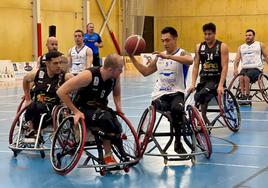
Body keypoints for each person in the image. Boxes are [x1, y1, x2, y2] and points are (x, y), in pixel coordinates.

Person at [128, 27, 193, 155]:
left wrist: (169, 56)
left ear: (175, 39)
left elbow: (190, 60)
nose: (164, 43)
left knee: (177, 110)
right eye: (163, 41)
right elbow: (145, 72)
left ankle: (178, 142)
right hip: (160, 95)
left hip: (177, 93)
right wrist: (131, 57)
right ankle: (175, 119)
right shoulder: (159, 57)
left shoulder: (182, 53)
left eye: (167, 40)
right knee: (170, 112)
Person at [57, 53, 126, 165]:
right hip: (83, 108)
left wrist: (118, 107)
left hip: (101, 108)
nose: (121, 72)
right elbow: (61, 91)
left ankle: (119, 152)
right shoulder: (88, 75)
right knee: (106, 119)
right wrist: (75, 111)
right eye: (120, 69)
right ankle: (108, 155)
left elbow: (116, 94)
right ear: (110, 69)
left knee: (116, 124)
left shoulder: (114, 78)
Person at [23, 51, 73, 139]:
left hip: (53, 109)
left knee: (37, 107)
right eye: (55, 63)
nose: (59, 66)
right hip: (36, 106)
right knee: (31, 105)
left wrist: (67, 102)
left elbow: (78, 87)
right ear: (47, 63)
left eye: (60, 62)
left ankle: (34, 130)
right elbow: (25, 79)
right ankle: (31, 129)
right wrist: (27, 98)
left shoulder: (65, 76)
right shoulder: (38, 74)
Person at [188, 22, 229, 127]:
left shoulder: (222, 46)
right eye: (205, 34)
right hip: (204, 80)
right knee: (200, 95)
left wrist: (221, 85)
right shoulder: (199, 47)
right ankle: (203, 118)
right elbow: (196, 66)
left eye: (209, 34)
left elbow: (225, 67)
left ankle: (204, 118)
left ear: (214, 33)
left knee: (200, 95)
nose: (207, 36)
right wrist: (193, 83)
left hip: (216, 80)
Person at [233, 29, 268, 103]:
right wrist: (235, 69)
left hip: (256, 69)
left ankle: (247, 96)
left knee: (246, 76)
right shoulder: (241, 47)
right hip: (245, 68)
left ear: (254, 36)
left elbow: (266, 56)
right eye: (246, 35)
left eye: (249, 35)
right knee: (241, 76)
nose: (247, 37)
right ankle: (243, 96)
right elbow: (237, 60)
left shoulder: (260, 45)